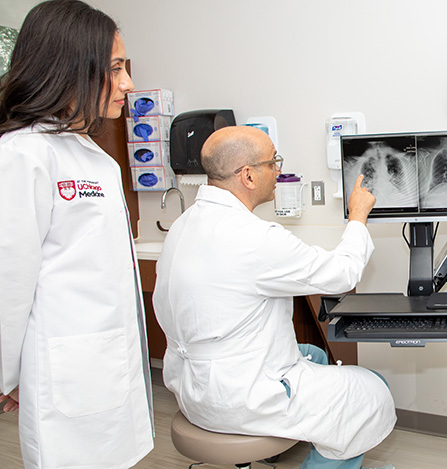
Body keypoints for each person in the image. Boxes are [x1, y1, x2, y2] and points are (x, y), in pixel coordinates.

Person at [153, 126, 397, 469]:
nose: (279, 171)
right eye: (274, 162)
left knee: (311, 354)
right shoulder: (255, 238)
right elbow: (342, 275)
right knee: (370, 391)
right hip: (241, 398)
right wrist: (358, 216)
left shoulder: (183, 225)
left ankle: (318, 431)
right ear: (249, 175)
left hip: (194, 387)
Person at [0, 1, 154, 468]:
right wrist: (4, 375)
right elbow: (10, 278)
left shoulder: (96, 158)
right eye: (114, 68)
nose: (128, 83)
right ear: (65, 67)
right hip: (67, 367)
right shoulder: (23, 155)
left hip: (111, 360)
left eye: (125, 67)